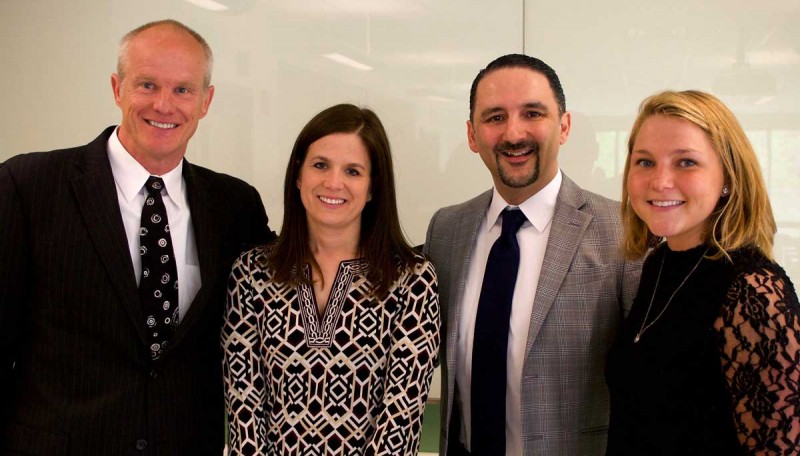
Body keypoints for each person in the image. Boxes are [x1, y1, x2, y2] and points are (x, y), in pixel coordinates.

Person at [0, 20, 274, 455]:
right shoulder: (29, 185)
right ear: (117, 88)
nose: (164, 105)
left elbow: (299, 279)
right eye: (147, 84)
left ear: (206, 101)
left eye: (183, 90)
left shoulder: (235, 206)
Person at [424, 53, 641, 455]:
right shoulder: (446, 231)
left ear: (564, 126)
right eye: (495, 118)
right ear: (472, 136)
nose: (513, 134)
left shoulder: (624, 231)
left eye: (532, 113)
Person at [222, 103, 440, 455]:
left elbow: (401, 416)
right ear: (298, 175)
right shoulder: (251, 273)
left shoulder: (411, 280)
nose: (333, 182)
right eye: (320, 165)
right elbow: (244, 408)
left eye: (353, 171)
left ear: (372, 188)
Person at [605, 90, 800, 454]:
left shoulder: (753, 291)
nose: (660, 181)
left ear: (728, 177)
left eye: (686, 163)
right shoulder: (658, 264)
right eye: (645, 162)